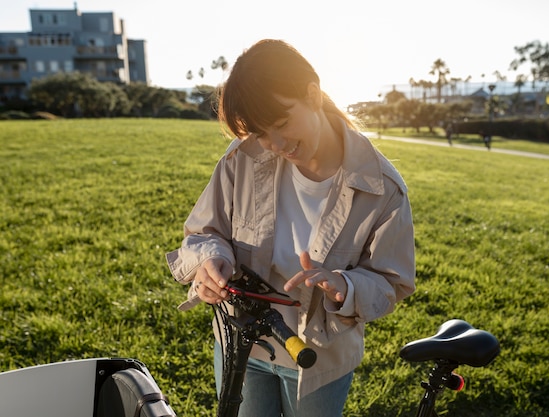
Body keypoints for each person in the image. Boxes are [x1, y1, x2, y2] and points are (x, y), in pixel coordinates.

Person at [166, 39, 416, 417]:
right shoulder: (242, 159)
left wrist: (345, 287)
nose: (275, 143)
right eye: (261, 132)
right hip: (241, 342)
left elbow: (392, 281)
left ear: (313, 95)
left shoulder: (382, 187)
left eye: (282, 124)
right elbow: (202, 234)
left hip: (319, 359)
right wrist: (210, 259)